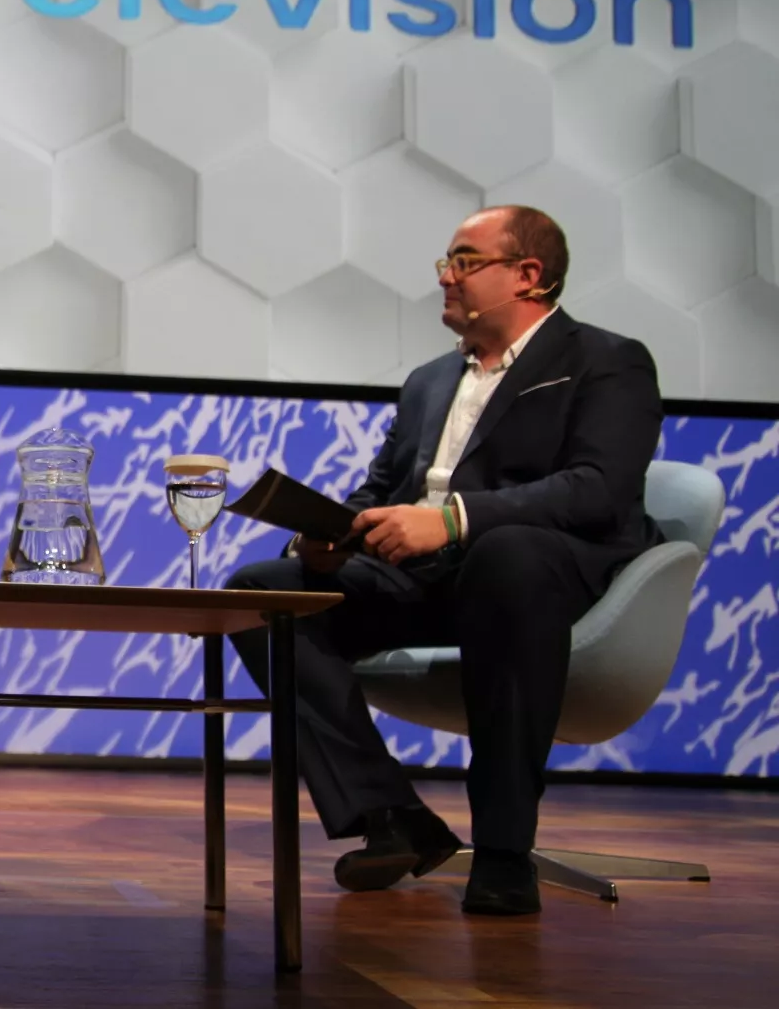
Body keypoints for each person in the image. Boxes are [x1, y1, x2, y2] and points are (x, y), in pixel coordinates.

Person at [226, 205, 664, 916]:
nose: (446, 278)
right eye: (446, 263)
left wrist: (454, 520)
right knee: (261, 591)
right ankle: (391, 816)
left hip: (542, 575)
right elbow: (383, 487)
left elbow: (598, 489)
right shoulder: (431, 380)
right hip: (424, 579)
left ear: (530, 275)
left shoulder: (606, 360)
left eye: (464, 261)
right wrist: (333, 538)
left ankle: (502, 849)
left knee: (507, 554)